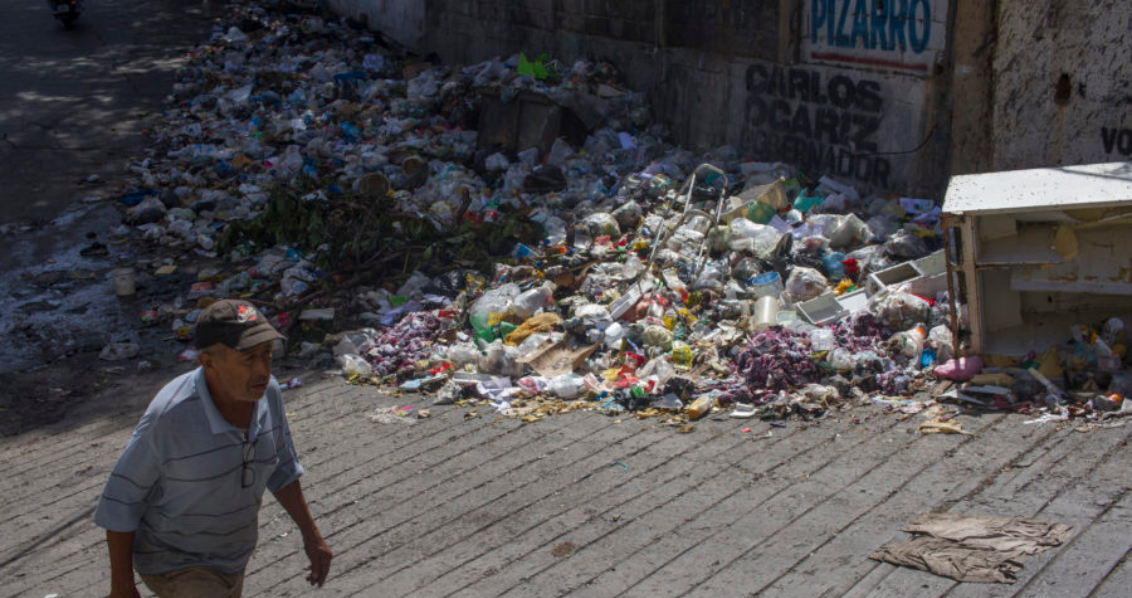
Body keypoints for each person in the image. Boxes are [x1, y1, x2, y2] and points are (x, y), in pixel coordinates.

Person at [94, 299, 331, 597]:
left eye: (267, 355)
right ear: (209, 363)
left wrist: (312, 536)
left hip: (232, 557)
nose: (262, 369)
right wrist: (122, 588)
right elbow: (120, 502)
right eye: (248, 358)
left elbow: (282, 468)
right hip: (174, 560)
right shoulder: (170, 417)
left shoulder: (267, 392)